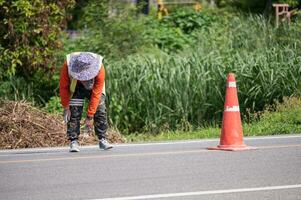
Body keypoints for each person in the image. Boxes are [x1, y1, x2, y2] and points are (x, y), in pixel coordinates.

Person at [59, 52, 113, 152]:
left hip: (95, 87)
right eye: (83, 77)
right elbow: (63, 87)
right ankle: (73, 141)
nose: (86, 79)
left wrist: (89, 116)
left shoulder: (99, 68)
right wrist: (66, 107)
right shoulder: (67, 66)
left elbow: (96, 94)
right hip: (76, 86)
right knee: (74, 112)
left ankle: (102, 139)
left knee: (100, 109)